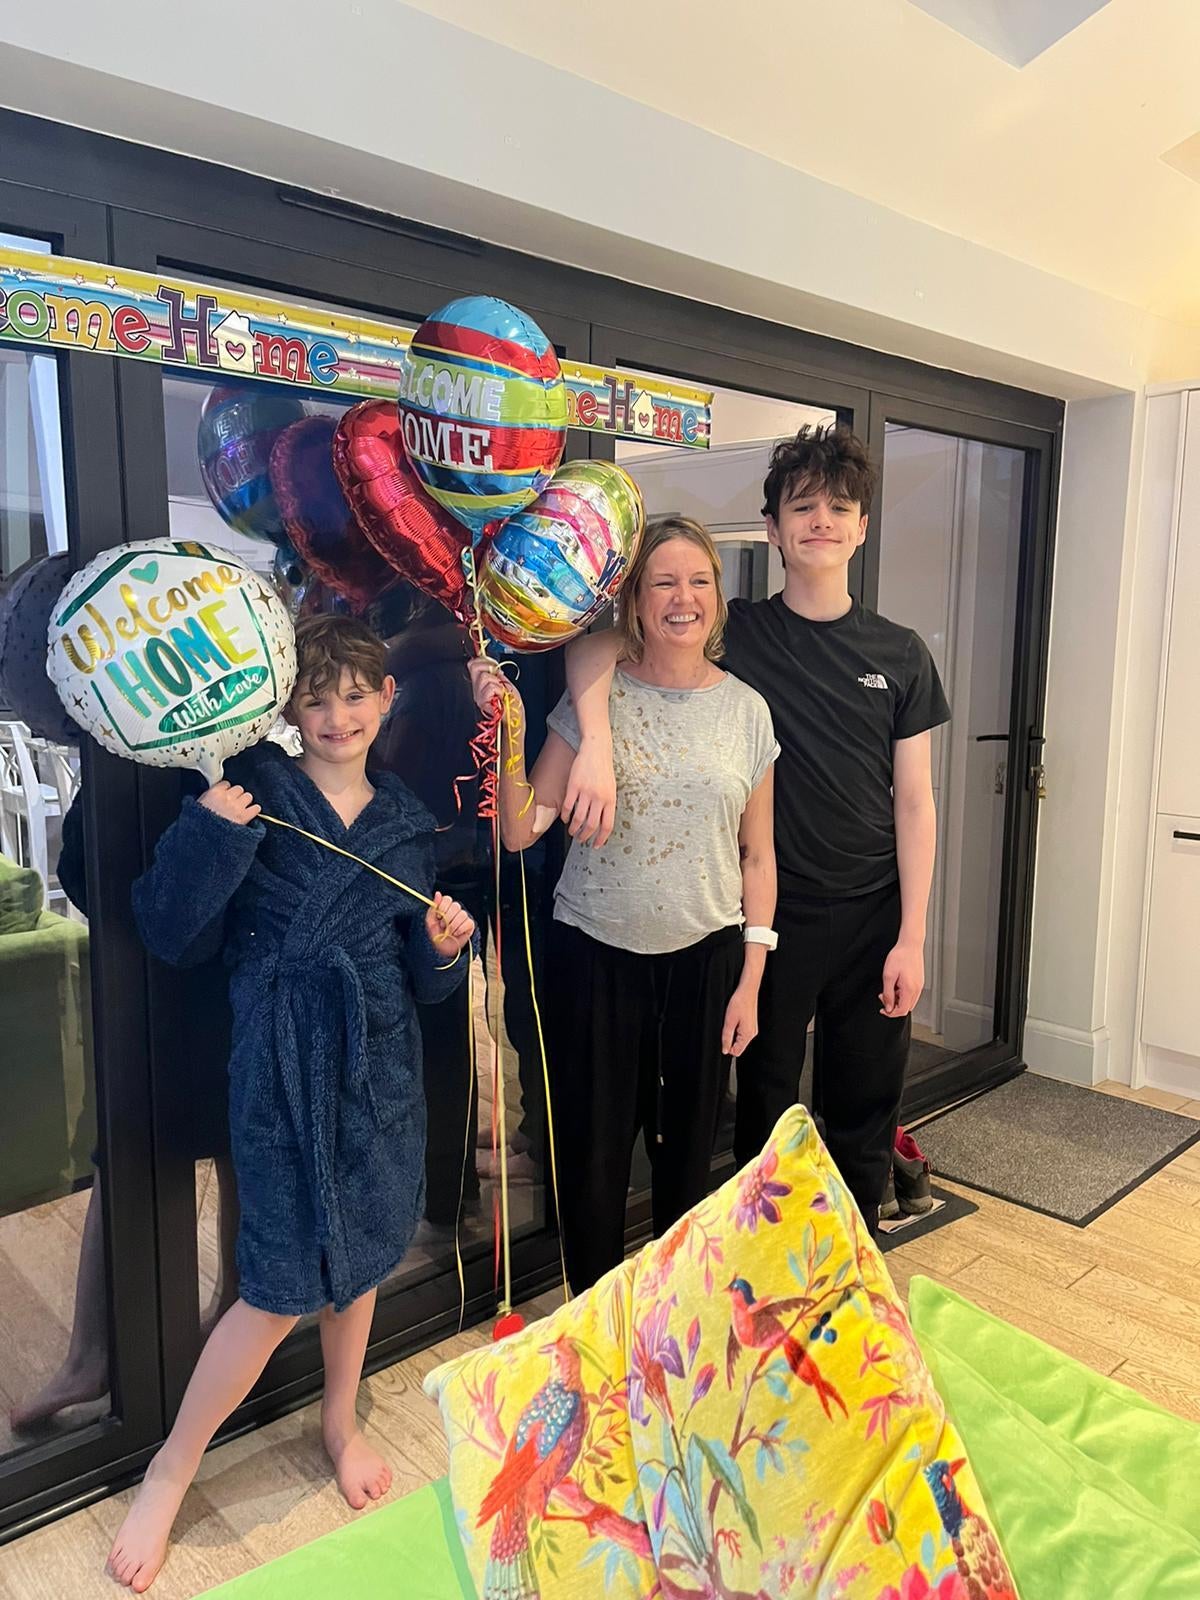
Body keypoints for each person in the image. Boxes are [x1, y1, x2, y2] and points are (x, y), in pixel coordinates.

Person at [106, 615, 475, 1593]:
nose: (337, 713)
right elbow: (169, 928)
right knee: (274, 1286)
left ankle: (339, 1424)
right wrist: (209, 835)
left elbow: (424, 982)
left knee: (359, 1269)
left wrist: (445, 950)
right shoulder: (254, 796)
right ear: (286, 705)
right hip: (276, 1064)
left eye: (356, 693)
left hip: (377, 1067)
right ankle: (172, 1464)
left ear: (385, 698)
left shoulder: (404, 822)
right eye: (316, 696)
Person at [564, 425, 949, 1236]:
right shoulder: (733, 629)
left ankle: (849, 1264)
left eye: (840, 507)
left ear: (863, 527)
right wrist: (593, 741)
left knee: (864, 1100)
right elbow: (601, 650)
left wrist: (912, 936)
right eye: (801, 506)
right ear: (771, 528)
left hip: (875, 908)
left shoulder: (902, 654)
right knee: (763, 1102)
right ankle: (753, 1270)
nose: (822, 521)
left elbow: (914, 801)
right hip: (774, 913)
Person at [469, 516, 778, 1293]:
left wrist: (751, 980)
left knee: (686, 1163)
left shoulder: (747, 711)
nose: (684, 598)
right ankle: (592, 1327)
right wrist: (505, 724)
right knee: (593, 1162)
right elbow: (518, 828)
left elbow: (758, 855)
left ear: (719, 596)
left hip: (705, 964)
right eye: (663, 582)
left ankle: (669, 1321)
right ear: (635, 601)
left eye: (699, 581)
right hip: (596, 958)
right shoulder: (596, 697)